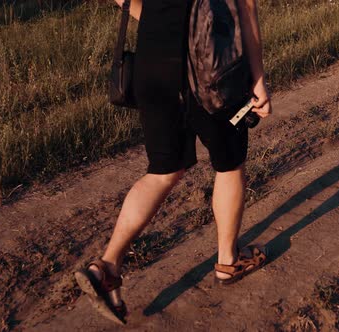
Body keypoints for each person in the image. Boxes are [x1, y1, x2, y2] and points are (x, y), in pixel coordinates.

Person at [74, 0, 272, 323]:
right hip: (207, 61)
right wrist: (258, 78)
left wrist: (158, 19)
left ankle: (105, 268)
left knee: (162, 170)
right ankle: (227, 260)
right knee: (230, 161)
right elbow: (246, 6)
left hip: (151, 59)